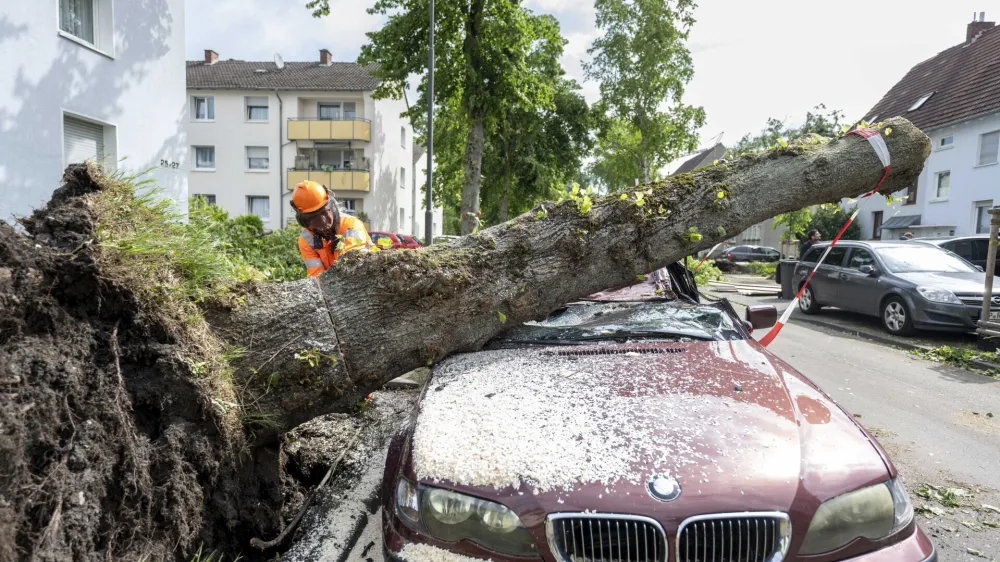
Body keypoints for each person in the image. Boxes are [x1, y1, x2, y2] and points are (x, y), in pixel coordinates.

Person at [290, 180, 372, 277]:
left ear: (331, 206)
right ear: (304, 221)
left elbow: (351, 264)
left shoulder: (351, 226)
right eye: (314, 218)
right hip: (335, 286)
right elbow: (316, 276)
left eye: (325, 212)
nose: (323, 221)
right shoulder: (306, 240)